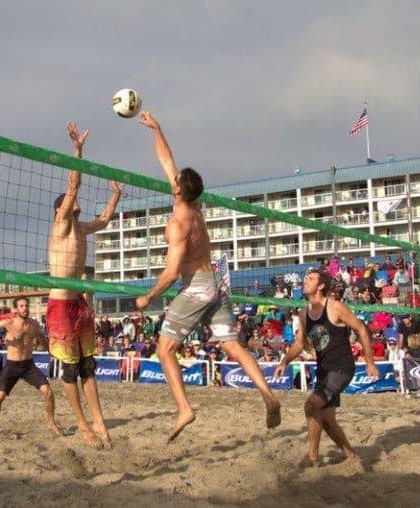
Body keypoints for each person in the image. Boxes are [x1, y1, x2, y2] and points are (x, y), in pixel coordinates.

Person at [135, 111, 280, 441]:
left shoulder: (178, 224)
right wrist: (157, 129)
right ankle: (268, 394)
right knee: (232, 345)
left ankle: (185, 409)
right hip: (215, 282)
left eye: (174, 181)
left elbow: (171, 273)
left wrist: (148, 296)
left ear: (177, 190)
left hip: (196, 287)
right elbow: (168, 161)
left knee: (164, 350)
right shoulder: (196, 208)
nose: (171, 179)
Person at [46, 122, 123, 449]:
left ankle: (100, 422)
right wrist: (78, 150)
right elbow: (73, 186)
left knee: (89, 366)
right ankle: (81, 423)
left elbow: (104, 220)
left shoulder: (79, 227)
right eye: (67, 201)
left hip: (79, 302)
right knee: (71, 369)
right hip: (61, 303)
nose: (73, 201)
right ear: (60, 209)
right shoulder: (61, 224)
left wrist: (116, 194)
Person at [274, 269, 379, 468]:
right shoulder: (304, 313)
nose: (305, 281)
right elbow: (298, 344)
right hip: (323, 370)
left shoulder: (335, 307)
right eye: (305, 278)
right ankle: (352, 457)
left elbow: (362, 329)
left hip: (341, 368)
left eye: (310, 279)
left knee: (311, 406)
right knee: (328, 421)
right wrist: (284, 362)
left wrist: (370, 361)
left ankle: (312, 457)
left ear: (321, 286)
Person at [0, 296, 61, 437]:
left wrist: (51, 352)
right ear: (16, 309)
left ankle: (51, 422)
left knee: (48, 391)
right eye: (21, 306)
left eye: (26, 305)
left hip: (28, 366)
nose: (25, 308)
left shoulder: (34, 324)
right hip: (12, 366)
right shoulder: (9, 322)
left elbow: (42, 338)